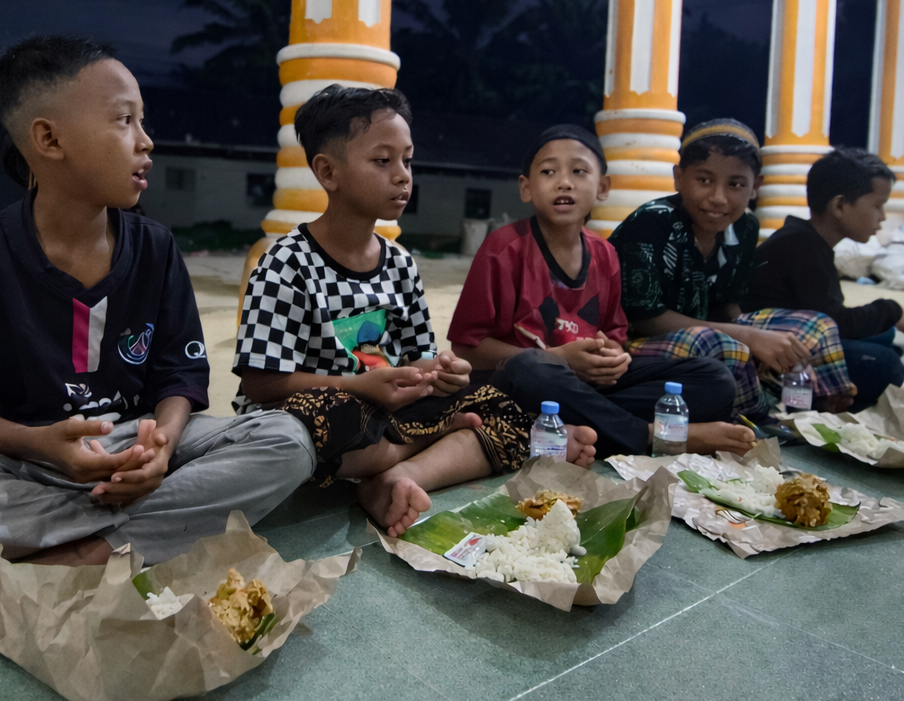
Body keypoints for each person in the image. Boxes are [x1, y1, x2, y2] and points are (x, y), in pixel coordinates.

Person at [0, 36, 315, 660]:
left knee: (286, 440)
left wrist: (162, 443)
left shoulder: (155, 248)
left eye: (142, 121)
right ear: (49, 140)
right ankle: (129, 539)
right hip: (19, 461)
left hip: (134, 452)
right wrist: (42, 444)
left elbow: (180, 376)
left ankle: (61, 563)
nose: (146, 141)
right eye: (125, 120)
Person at [233, 86, 598, 538]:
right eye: (383, 161)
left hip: (387, 412)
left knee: (501, 403)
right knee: (322, 413)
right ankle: (416, 448)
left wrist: (440, 372)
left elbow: (417, 359)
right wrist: (361, 386)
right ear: (328, 172)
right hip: (314, 415)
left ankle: (393, 481)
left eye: (407, 160)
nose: (403, 176)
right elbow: (260, 382)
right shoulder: (288, 261)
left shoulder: (399, 262)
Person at [447, 124, 751, 457]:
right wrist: (556, 358)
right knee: (530, 367)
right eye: (549, 172)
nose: (564, 182)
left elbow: (615, 337)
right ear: (526, 188)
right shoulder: (505, 248)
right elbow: (467, 349)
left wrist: (613, 358)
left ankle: (587, 427)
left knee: (714, 378)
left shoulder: (604, 254)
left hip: (583, 391)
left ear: (603, 187)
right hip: (519, 387)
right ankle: (647, 433)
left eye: (579, 171)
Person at [608, 119, 857, 414]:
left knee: (816, 326)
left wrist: (760, 342)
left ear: (755, 187)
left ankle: (825, 411)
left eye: (735, 184)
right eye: (704, 180)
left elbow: (728, 306)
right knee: (726, 346)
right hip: (633, 343)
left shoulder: (745, 226)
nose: (718, 198)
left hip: (700, 333)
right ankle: (757, 420)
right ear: (678, 178)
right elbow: (645, 319)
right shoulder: (652, 222)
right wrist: (747, 337)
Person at [745, 146, 904, 407]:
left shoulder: (807, 240)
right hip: (774, 351)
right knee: (884, 364)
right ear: (839, 205)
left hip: (806, 335)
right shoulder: (803, 248)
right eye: (877, 205)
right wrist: (892, 310)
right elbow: (836, 322)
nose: (882, 217)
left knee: (884, 337)